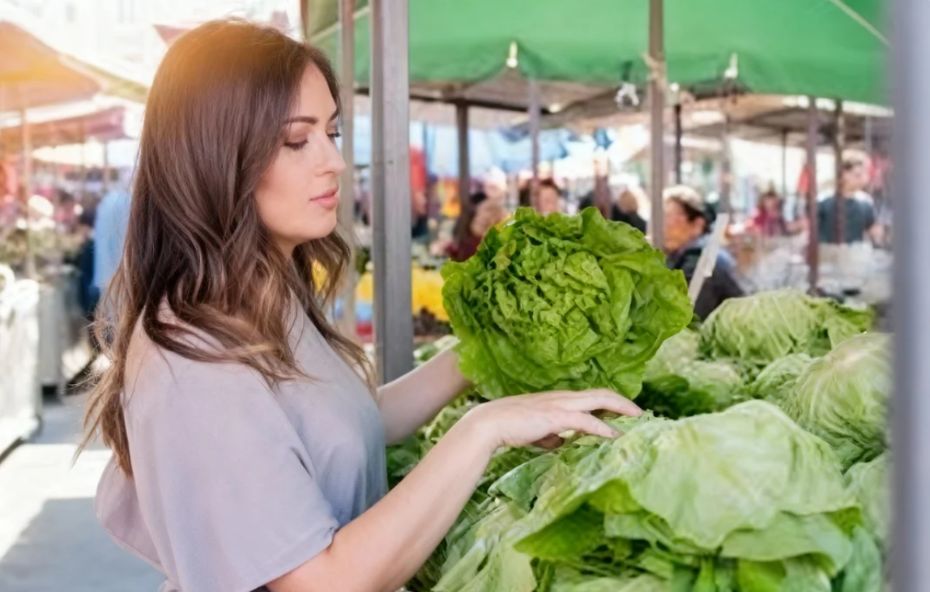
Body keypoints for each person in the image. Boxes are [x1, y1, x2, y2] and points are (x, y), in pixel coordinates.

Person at [80, 21, 639, 592]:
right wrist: (483, 429)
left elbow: (340, 429)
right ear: (215, 158)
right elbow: (318, 582)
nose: (334, 163)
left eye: (333, 132)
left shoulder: (261, 295)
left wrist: (479, 359)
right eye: (297, 141)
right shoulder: (194, 362)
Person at [663, 185, 744, 320]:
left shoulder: (701, 262)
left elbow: (690, 321)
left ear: (697, 224)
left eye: (668, 217)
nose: (661, 225)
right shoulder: (687, 256)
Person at [817, 151, 882, 244]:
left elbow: (872, 230)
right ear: (844, 174)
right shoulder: (823, 201)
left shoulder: (866, 202)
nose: (864, 179)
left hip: (855, 254)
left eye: (865, 174)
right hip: (828, 253)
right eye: (858, 175)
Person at [446, 191, 507, 262]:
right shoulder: (464, 234)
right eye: (478, 217)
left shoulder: (493, 244)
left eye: (492, 215)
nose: (484, 218)